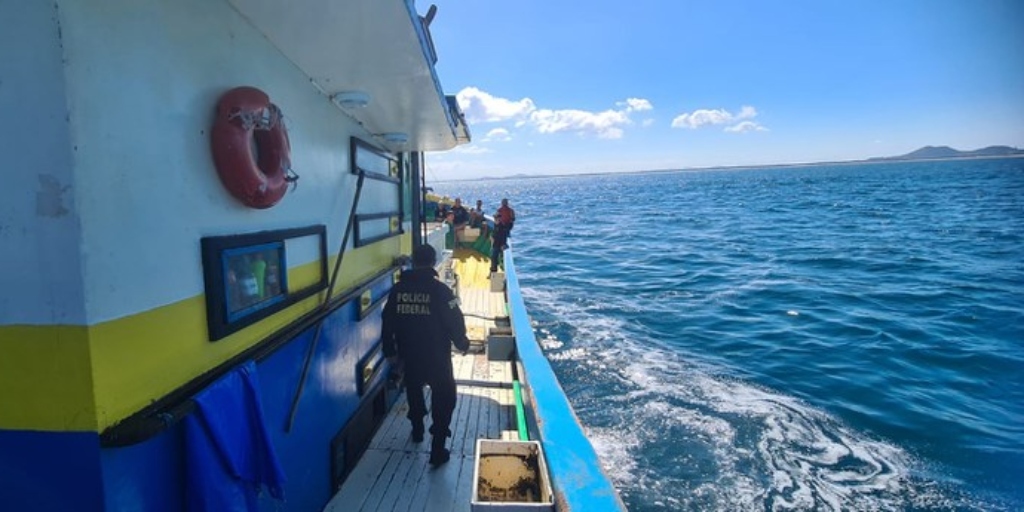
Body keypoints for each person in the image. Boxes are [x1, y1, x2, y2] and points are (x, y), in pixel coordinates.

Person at [380, 244, 470, 466]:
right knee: (444, 397)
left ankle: (417, 429)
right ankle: (437, 449)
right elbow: (455, 319)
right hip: (437, 356)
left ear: (414, 261)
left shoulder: (397, 291)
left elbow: (387, 322)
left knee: (413, 389)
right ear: (432, 262)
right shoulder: (441, 291)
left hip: (409, 354)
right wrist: (462, 342)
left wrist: (390, 352)